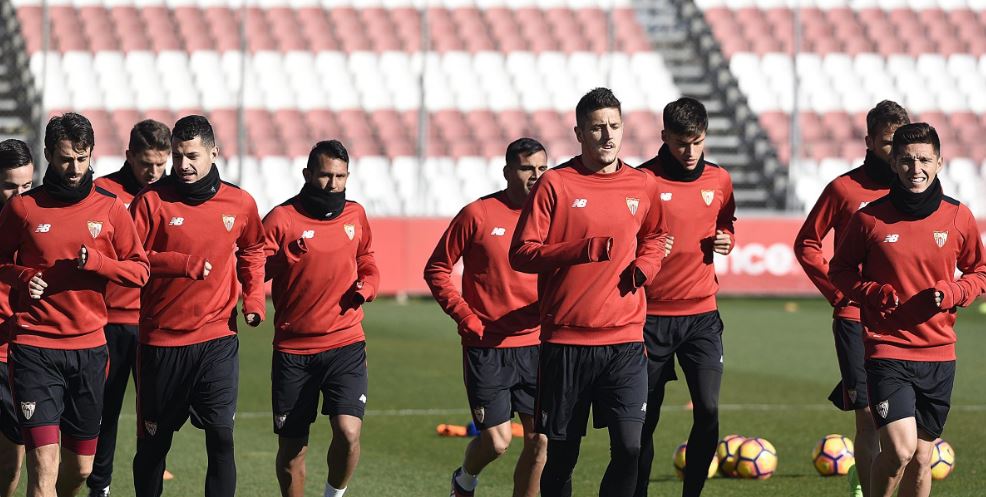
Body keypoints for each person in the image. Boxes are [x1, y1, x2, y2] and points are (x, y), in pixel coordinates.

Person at [509, 88, 670, 497]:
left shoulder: (643, 183)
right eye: (597, 128)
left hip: (626, 341)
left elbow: (656, 236)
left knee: (631, 448)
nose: (607, 135)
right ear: (579, 132)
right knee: (561, 457)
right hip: (566, 342)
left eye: (614, 126)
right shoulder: (555, 184)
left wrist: (646, 267)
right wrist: (582, 250)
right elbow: (522, 253)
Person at [830, 122, 986, 497]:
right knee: (899, 450)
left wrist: (954, 292)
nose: (916, 168)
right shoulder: (869, 218)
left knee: (920, 457)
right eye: (907, 160)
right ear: (895, 163)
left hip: (939, 352)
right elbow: (841, 270)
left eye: (924, 160)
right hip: (888, 349)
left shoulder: (957, 217)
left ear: (940, 162)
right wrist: (871, 292)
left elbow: (980, 271)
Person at [0, 113, 149, 497]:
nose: (75, 168)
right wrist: (20, 276)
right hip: (35, 348)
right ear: (48, 153)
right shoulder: (23, 209)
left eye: (82, 159)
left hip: (89, 349)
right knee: (42, 467)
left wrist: (99, 263)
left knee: (81, 470)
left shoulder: (112, 208)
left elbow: (140, 271)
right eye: (66, 158)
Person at [130, 115, 265, 497]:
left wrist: (253, 298)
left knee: (222, 438)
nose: (183, 165)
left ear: (213, 153)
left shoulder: (239, 203)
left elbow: (253, 250)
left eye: (191, 156)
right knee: (155, 446)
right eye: (177, 156)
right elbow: (128, 259)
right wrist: (179, 263)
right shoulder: (150, 201)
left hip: (217, 338)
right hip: (161, 342)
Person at [794, 100, 910, 497]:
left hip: (901, 322)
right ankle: (866, 489)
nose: (896, 152)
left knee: (900, 420)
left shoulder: (914, 192)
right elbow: (807, 242)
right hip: (854, 318)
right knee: (866, 417)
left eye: (901, 142)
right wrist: (837, 291)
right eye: (887, 143)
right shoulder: (844, 189)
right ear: (869, 141)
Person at [425, 138, 549, 497]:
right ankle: (464, 480)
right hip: (487, 346)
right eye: (527, 168)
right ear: (508, 171)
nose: (536, 176)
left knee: (540, 440)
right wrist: (465, 316)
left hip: (537, 345)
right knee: (496, 442)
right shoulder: (477, 215)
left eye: (542, 169)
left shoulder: (553, 217)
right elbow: (436, 269)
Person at [262, 140, 379, 497]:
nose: (333, 184)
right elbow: (251, 271)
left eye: (340, 176)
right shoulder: (282, 218)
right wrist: (285, 257)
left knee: (348, 431)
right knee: (292, 451)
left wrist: (369, 284)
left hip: (345, 342)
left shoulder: (356, 214)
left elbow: (368, 258)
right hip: (294, 350)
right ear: (307, 174)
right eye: (325, 175)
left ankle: (334, 494)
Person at [633, 97, 736, 497]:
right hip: (648, 318)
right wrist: (648, 244)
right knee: (644, 419)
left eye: (696, 142)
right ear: (664, 138)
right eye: (680, 143)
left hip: (702, 318)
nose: (689, 152)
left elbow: (726, 220)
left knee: (708, 410)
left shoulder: (720, 180)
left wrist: (728, 239)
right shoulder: (643, 182)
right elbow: (626, 237)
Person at [87, 119, 171, 497]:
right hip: (107, 323)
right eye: (146, 164)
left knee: (154, 418)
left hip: (156, 323)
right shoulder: (101, 192)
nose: (153, 173)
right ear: (129, 156)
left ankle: (148, 488)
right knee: (103, 412)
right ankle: (98, 486)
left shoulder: (173, 193)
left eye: (160, 164)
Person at [0, 139, 35, 497]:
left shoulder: (37, 216)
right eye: (10, 186)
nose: (19, 195)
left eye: (26, 185)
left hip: (16, 350)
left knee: (11, 462)